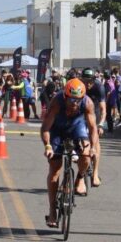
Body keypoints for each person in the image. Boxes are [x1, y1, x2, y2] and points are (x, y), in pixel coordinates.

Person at [41, 78, 99, 228]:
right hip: (57, 129)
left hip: (77, 127)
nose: (74, 103)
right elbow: (46, 128)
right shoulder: (56, 102)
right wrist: (47, 146)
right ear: (65, 96)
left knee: (86, 155)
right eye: (72, 99)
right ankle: (52, 210)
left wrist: (92, 147)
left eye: (78, 100)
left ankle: (79, 178)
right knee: (55, 169)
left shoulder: (87, 103)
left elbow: (93, 128)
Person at [82, 68, 106, 186]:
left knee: (95, 142)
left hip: (94, 113)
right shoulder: (79, 86)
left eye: (90, 81)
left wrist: (101, 124)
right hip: (81, 113)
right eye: (85, 81)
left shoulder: (99, 87)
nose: (88, 84)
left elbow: (103, 109)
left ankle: (95, 173)